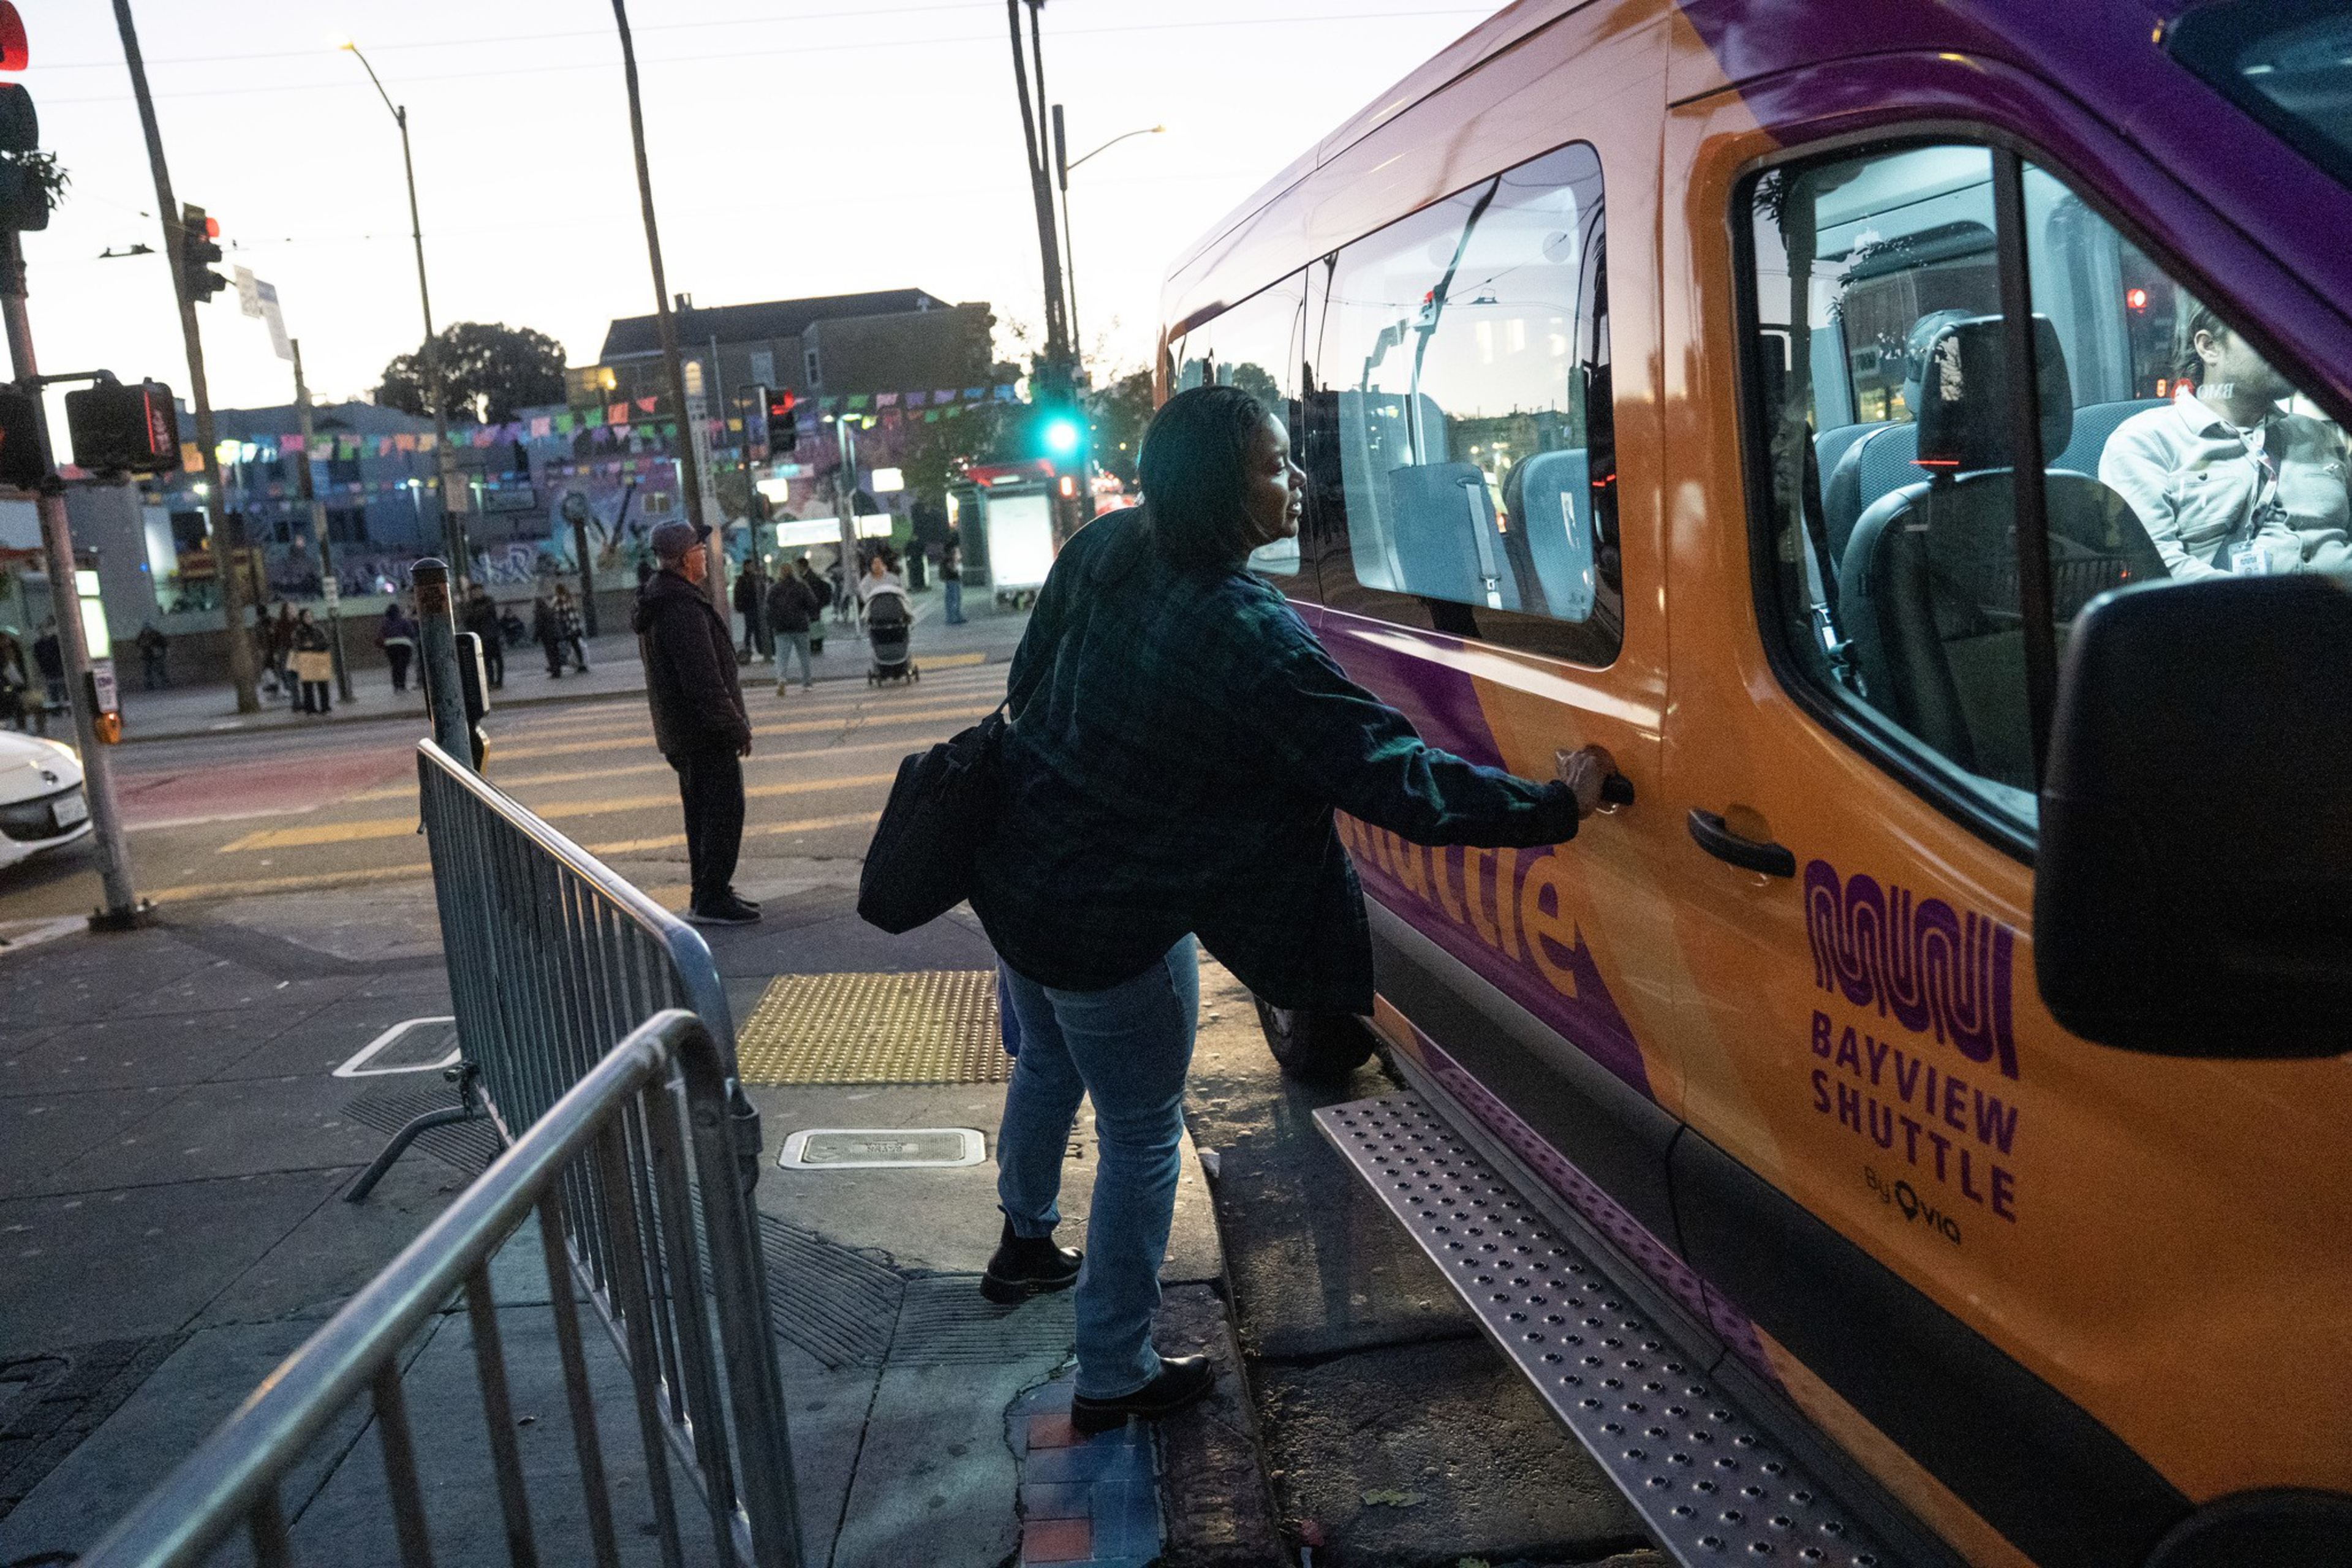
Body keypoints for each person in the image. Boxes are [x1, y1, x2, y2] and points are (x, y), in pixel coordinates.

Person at [969, 385, 1615, 1434]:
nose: (1297, 483)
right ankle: (1111, 1368)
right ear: (1223, 487)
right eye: (1275, 465)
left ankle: (1024, 1239)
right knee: (1139, 1132)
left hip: (1012, 874)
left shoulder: (1099, 548)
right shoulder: (1241, 627)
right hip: (1108, 918)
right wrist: (1552, 805)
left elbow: (1029, 682)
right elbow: (1390, 775)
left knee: (1045, 1064)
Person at [2100, 300, 2352, 579]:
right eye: (2267, 333)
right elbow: (2159, 571)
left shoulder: (2318, 435)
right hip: (2237, 618)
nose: (2290, 347)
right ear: (2209, 347)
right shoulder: (2145, 442)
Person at [634, 521, 758, 927]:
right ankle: (711, 897)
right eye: (700, 549)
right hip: (703, 733)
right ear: (687, 559)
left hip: (686, 733)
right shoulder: (680, 609)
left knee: (703, 815)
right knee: (722, 812)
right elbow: (703, 680)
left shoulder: (665, 600)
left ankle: (709, 891)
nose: (706, 554)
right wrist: (735, 726)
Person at [767, 556, 819, 694]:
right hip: (801, 625)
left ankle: (782, 679)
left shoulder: (774, 589)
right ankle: (807, 684)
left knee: (782, 657)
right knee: (804, 656)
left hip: (781, 628)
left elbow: (768, 607)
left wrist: (773, 623)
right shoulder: (802, 586)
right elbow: (812, 603)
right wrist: (811, 616)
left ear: (780, 573)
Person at [462, 584, 505, 690]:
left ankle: (499, 682)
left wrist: (476, 614)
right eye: (475, 592)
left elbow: (485, 614)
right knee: (487, 661)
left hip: (492, 635)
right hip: (480, 637)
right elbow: (468, 619)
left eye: (479, 591)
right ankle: (491, 682)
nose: (477, 594)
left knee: (498, 660)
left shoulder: (489, 601)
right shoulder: (469, 605)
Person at [291, 608, 333, 714]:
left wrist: (313, 646)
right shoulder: (298, 632)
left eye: (310, 616)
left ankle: (325, 707)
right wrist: (307, 647)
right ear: (302, 618)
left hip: (319, 659)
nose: (309, 619)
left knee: (323, 685)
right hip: (306, 660)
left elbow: (326, 642)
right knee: (308, 686)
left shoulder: (318, 629)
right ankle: (310, 708)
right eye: (306, 617)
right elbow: (297, 646)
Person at [733, 555, 773, 664]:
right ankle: (750, 650)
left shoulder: (755, 578)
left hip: (756, 607)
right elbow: (740, 594)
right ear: (746, 567)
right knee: (750, 629)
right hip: (750, 608)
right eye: (749, 566)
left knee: (757, 629)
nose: (751, 568)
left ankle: (759, 650)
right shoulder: (744, 580)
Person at [379, 601, 418, 693]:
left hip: (390, 645)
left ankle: (396, 687)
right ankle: (402, 686)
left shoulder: (385, 622)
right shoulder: (403, 621)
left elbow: (382, 633)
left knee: (394, 666)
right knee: (403, 666)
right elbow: (411, 633)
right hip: (404, 644)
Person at [798, 556, 833, 655]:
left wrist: (812, 603)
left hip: (813, 605)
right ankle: (816, 644)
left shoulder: (810, 577)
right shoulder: (809, 576)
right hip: (814, 604)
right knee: (815, 624)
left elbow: (813, 592)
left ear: (802, 565)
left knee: (814, 625)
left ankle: (816, 644)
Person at [554, 583, 591, 673]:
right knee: (577, 647)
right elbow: (576, 614)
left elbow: (559, 616)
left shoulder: (559, 601)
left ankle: (574, 664)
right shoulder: (571, 598)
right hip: (576, 627)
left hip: (568, 628)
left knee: (569, 647)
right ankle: (582, 664)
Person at [31, 617, 64, 715]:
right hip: (50, 670)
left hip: (56, 668)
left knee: (60, 689)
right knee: (54, 690)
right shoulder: (39, 645)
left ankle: (63, 709)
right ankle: (57, 711)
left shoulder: (53, 641)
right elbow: (38, 658)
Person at [532, 590, 565, 678]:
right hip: (555, 635)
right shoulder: (549, 610)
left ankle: (555, 673)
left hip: (547, 636)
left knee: (551, 655)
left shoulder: (539, 613)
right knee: (556, 653)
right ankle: (558, 671)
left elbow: (539, 627)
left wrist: (535, 638)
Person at [940, 527, 966, 625]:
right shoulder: (951, 553)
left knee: (953, 598)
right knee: (954, 598)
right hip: (953, 577)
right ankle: (953, 617)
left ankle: (954, 616)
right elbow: (953, 566)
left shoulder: (947, 553)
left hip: (951, 577)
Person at [136, 621, 169, 690]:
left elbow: (164, 643)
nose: (147, 631)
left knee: (160, 670)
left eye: (148, 629)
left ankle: (164, 684)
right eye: (146, 629)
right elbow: (138, 644)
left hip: (156, 655)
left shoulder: (156, 634)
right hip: (147, 656)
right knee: (148, 671)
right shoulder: (142, 635)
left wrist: (161, 650)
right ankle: (150, 686)